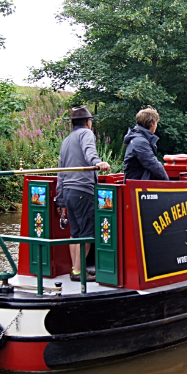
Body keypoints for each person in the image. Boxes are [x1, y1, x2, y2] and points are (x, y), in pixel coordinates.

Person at [56, 106, 111, 282]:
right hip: (82, 190)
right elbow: (90, 152)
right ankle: (80, 272)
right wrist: (98, 163)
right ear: (88, 122)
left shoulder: (66, 140)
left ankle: (75, 269)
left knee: (75, 233)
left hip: (68, 192)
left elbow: (60, 171)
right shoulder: (86, 134)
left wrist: (60, 199)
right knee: (87, 233)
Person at [123, 106, 169, 181]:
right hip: (137, 185)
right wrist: (168, 183)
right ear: (152, 124)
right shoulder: (140, 142)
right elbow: (153, 164)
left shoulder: (137, 139)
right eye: (156, 123)